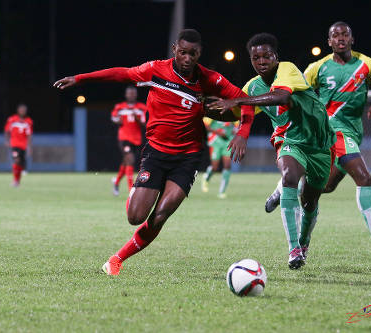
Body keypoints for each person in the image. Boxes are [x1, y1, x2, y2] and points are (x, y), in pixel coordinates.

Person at [53, 29, 254, 275]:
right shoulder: (155, 71)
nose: (187, 58)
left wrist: (242, 133)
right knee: (135, 216)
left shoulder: (210, 80)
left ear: (199, 54)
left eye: (193, 54)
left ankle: (117, 259)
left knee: (160, 215)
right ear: (174, 51)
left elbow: (245, 101)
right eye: (183, 53)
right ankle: (138, 190)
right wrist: (82, 79)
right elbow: (121, 74)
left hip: (188, 158)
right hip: (156, 154)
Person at [264, 22, 371, 259]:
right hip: (330, 131)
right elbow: (298, 92)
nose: (340, 38)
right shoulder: (318, 68)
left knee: (323, 187)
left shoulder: (367, 65)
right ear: (329, 42)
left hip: (353, 133)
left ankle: (283, 187)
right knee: (364, 176)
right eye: (335, 35)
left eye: (344, 34)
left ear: (352, 38)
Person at [208, 33, 335, 269]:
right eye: (256, 57)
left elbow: (281, 96)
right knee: (290, 177)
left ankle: (304, 241)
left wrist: (239, 102)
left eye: (267, 56)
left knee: (310, 202)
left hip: (319, 143)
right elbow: (234, 113)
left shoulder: (287, 69)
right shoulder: (252, 87)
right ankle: (294, 250)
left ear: (276, 57)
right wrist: (201, 108)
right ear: (251, 60)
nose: (262, 61)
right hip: (289, 140)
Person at [111, 86, 147, 195]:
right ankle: (131, 190)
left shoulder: (142, 107)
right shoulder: (120, 107)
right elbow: (114, 118)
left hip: (136, 139)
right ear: (126, 95)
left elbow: (145, 123)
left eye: (133, 93)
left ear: (136, 95)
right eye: (129, 93)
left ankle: (116, 182)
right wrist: (118, 121)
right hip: (124, 138)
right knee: (130, 159)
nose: (131, 95)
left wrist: (138, 119)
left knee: (126, 162)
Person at [201, 118, 237, 198]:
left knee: (227, 166)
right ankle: (206, 177)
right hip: (215, 141)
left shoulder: (233, 110)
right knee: (215, 167)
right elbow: (205, 125)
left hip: (228, 141)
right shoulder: (214, 109)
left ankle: (222, 192)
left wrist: (235, 131)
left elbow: (238, 125)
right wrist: (218, 132)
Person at [4, 104, 33, 187]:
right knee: (16, 160)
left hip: (23, 145)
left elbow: (29, 135)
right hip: (14, 144)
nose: (22, 112)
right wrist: (6, 140)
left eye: (24, 110)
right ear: (18, 110)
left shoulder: (28, 121)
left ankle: (17, 181)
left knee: (20, 164)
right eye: (21, 110)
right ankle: (15, 181)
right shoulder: (12, 119)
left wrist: (29, 147)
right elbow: (7, 130)